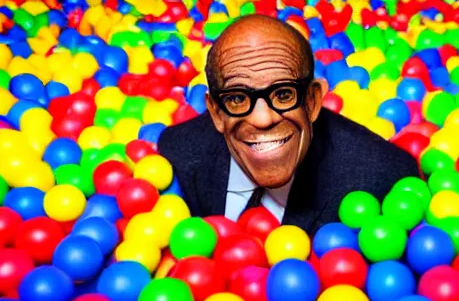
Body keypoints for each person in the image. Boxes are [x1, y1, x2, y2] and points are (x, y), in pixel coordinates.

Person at [157, 14, 420, 235]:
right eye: (237, 98)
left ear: (313, 100)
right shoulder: (178, 156)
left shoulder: (382, 180)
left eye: (283, 94)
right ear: (215, 112)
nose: (262, 119)